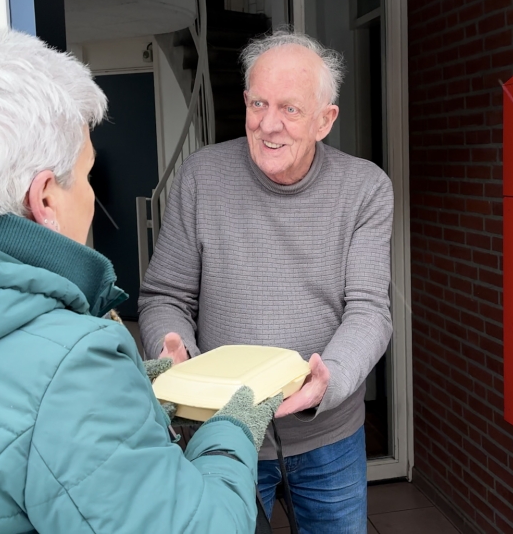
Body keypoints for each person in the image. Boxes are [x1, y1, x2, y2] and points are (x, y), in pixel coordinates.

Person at [0, 29, 279, 533]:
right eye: (88, 175)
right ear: (44, 199)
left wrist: (127, 393)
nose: (91, 195)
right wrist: (232, 431)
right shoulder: (70, 369)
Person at [139, 30, 393, 532]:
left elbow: (369, 309)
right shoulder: (201, 176)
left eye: (290, 109)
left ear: (326, 120)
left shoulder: (365, 189)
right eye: (259, 103)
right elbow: (166, 295)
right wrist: (172, 349)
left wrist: (329, 382)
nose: (268, 124)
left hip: (328, 437)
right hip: (222, 432)